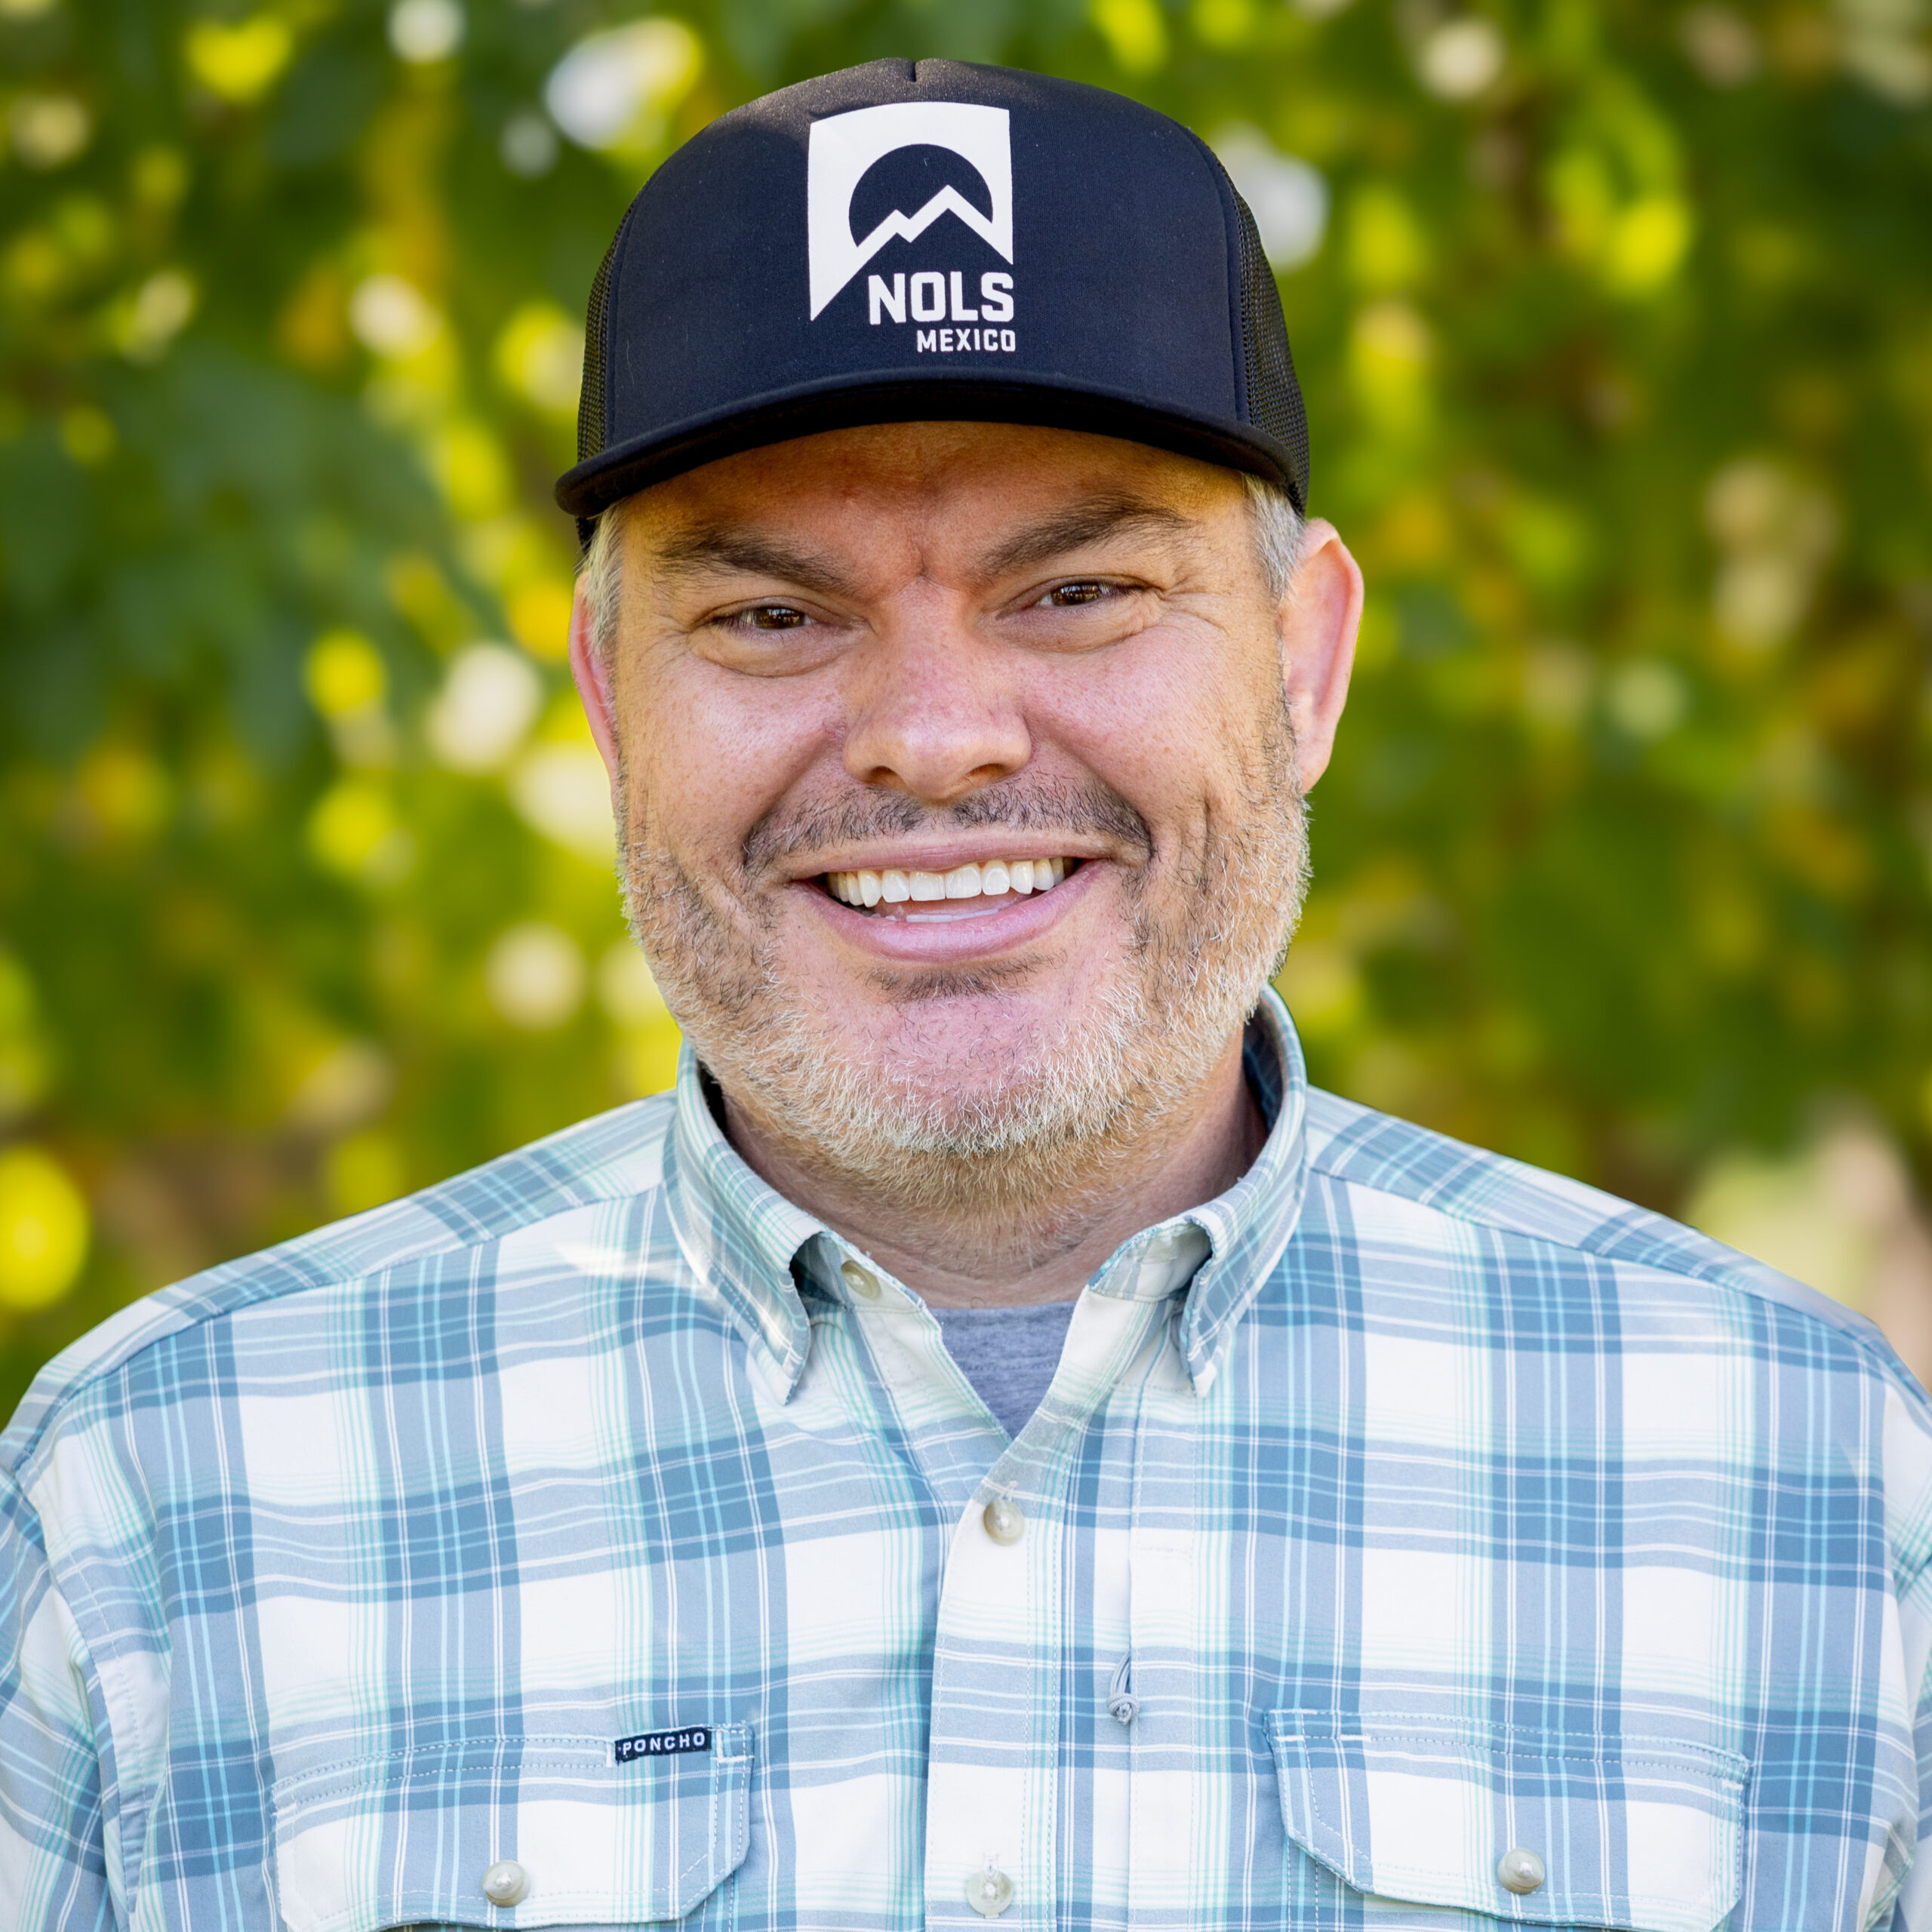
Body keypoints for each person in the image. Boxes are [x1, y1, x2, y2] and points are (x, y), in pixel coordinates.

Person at [3, 57, 1930, 1932]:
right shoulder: (166, 1495)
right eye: (772, 614)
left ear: (1303, 663)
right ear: (608, 699)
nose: (932, 736)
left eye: (1077, 591)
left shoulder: (1804, 1483)